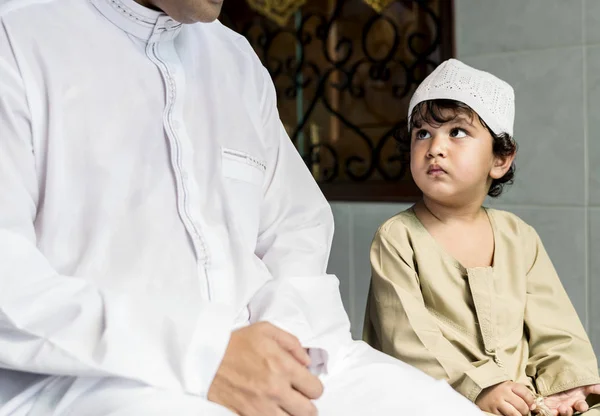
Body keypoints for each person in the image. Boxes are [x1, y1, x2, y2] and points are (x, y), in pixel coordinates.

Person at [0, 1, 483, 415]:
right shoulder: (18, 35)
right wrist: (205, 355)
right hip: (91, 379)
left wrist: (282, 345)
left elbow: (295, 228)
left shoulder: (233, 58)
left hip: (273, 355)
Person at [363, 58, 600, 416]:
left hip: (524, 402)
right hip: (437, 399)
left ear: (500, 159)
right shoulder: (397, 238)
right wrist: (481, 388)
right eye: (422, 133)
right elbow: (408, 340)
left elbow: (556, 328)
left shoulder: (518, 236)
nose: (435, 147)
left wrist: (569, 383)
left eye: (457, 132)